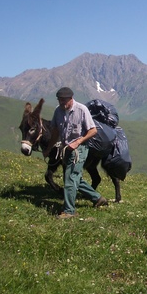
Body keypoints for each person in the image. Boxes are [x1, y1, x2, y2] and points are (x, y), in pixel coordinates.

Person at [43, 87, 108, 219]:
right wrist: (49, 148)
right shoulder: (58, 111)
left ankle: (69, 211)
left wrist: (78, 142)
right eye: (59, 100)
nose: (61, 103)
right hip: (66, 148)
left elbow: (93, 130)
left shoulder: (82, 110)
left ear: (71, 98)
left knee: (70, 178)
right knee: (75, 178)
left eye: (64, 100)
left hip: (80, 149)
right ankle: (97, 198)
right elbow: (55, 131)